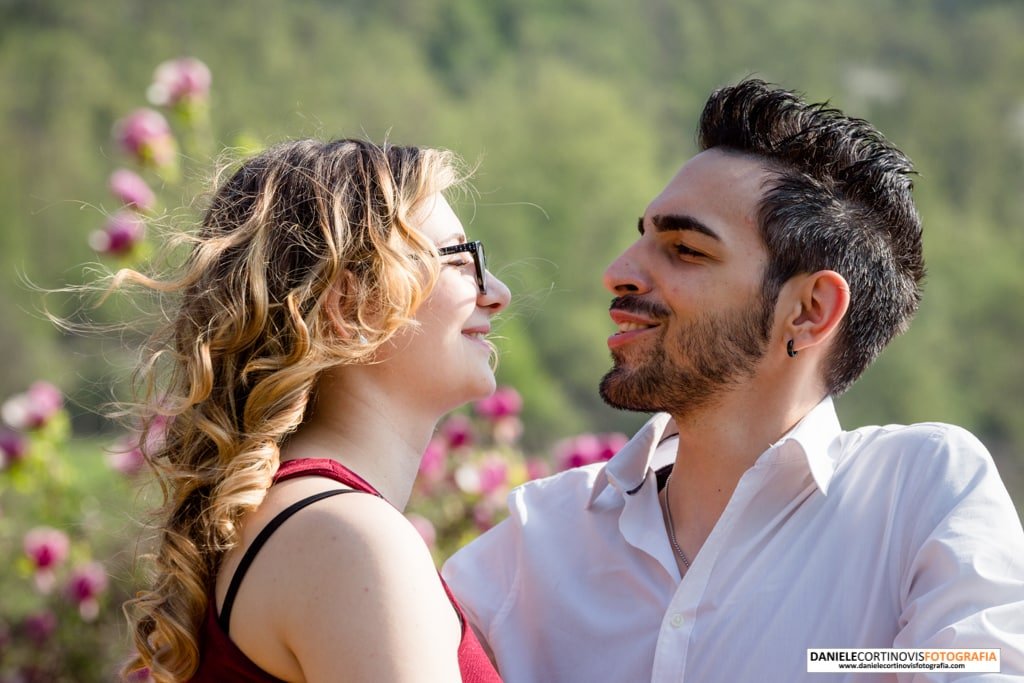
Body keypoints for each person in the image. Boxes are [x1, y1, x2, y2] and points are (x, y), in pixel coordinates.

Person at [443, 79, 1024, 681]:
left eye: (685, 249)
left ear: (810, 311)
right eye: (643, 237)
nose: (618, 272)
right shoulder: (537, 540)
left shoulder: (918, 492)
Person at [120, 138, 509, 682]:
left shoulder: (303, 526)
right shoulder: (350, 540)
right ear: (349, 304)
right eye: (461, 259)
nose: (498, 292)